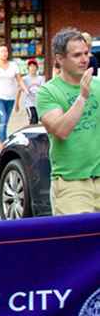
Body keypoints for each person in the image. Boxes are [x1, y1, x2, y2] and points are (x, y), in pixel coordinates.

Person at [37, 28, 100, 215]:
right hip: (72, 184)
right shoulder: (48, 92)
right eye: (77, 55)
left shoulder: (98, 85)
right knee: (78, 243)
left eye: (86, 53)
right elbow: (61, 130)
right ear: (59, 59)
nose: (84, 59)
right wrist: (82, 98)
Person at [0, 45, 28, 145]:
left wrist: (25, 90)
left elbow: (19, 79)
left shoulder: (13, 65)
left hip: (10, 98)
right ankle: (3, 142)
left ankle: (0, 139)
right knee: (3, 118)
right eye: (2, 51)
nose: (4, 53)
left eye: (6, 51)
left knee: (5, 121)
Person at [18, 59, 44, 125]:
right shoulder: (24, 79)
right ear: (28, 68)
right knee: (33, 119)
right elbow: (19, 90)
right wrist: (17, 104)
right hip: (29, 104)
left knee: (38, 120)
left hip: (39, 104)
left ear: (37, 68)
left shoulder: (41, 78)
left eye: (34, 66)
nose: (32, 68)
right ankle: (32, 134)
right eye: (30, 66)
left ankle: (37, 134)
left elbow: (44, 91)